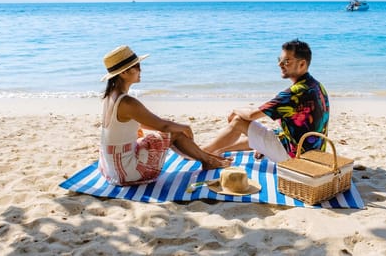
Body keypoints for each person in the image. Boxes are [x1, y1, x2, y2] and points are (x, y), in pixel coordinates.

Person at [99, 45, 231, 186]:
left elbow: (147, 122)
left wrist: (171, 126)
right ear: (123, 73)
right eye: (136, 66)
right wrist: (184, 127)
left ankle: (201, 156)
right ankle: (208, 161)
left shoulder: (110, 96)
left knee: (169, 129)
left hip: (111, 168)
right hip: (127, 172)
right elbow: (164, 125)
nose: (140, 70)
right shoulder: (127, 102)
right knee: (174, 132)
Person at [203, 39, 329, 162]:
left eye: (286, 61)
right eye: (279, 60)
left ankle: (205, 152)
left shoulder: (294, 93)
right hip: (314, 151)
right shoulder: (316, 85)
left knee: (238, 121)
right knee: (270, 133)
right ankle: (221, 150)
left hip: (296, 158)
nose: (279, 64)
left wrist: (235, 111)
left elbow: (251, 115)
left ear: (302, 64)